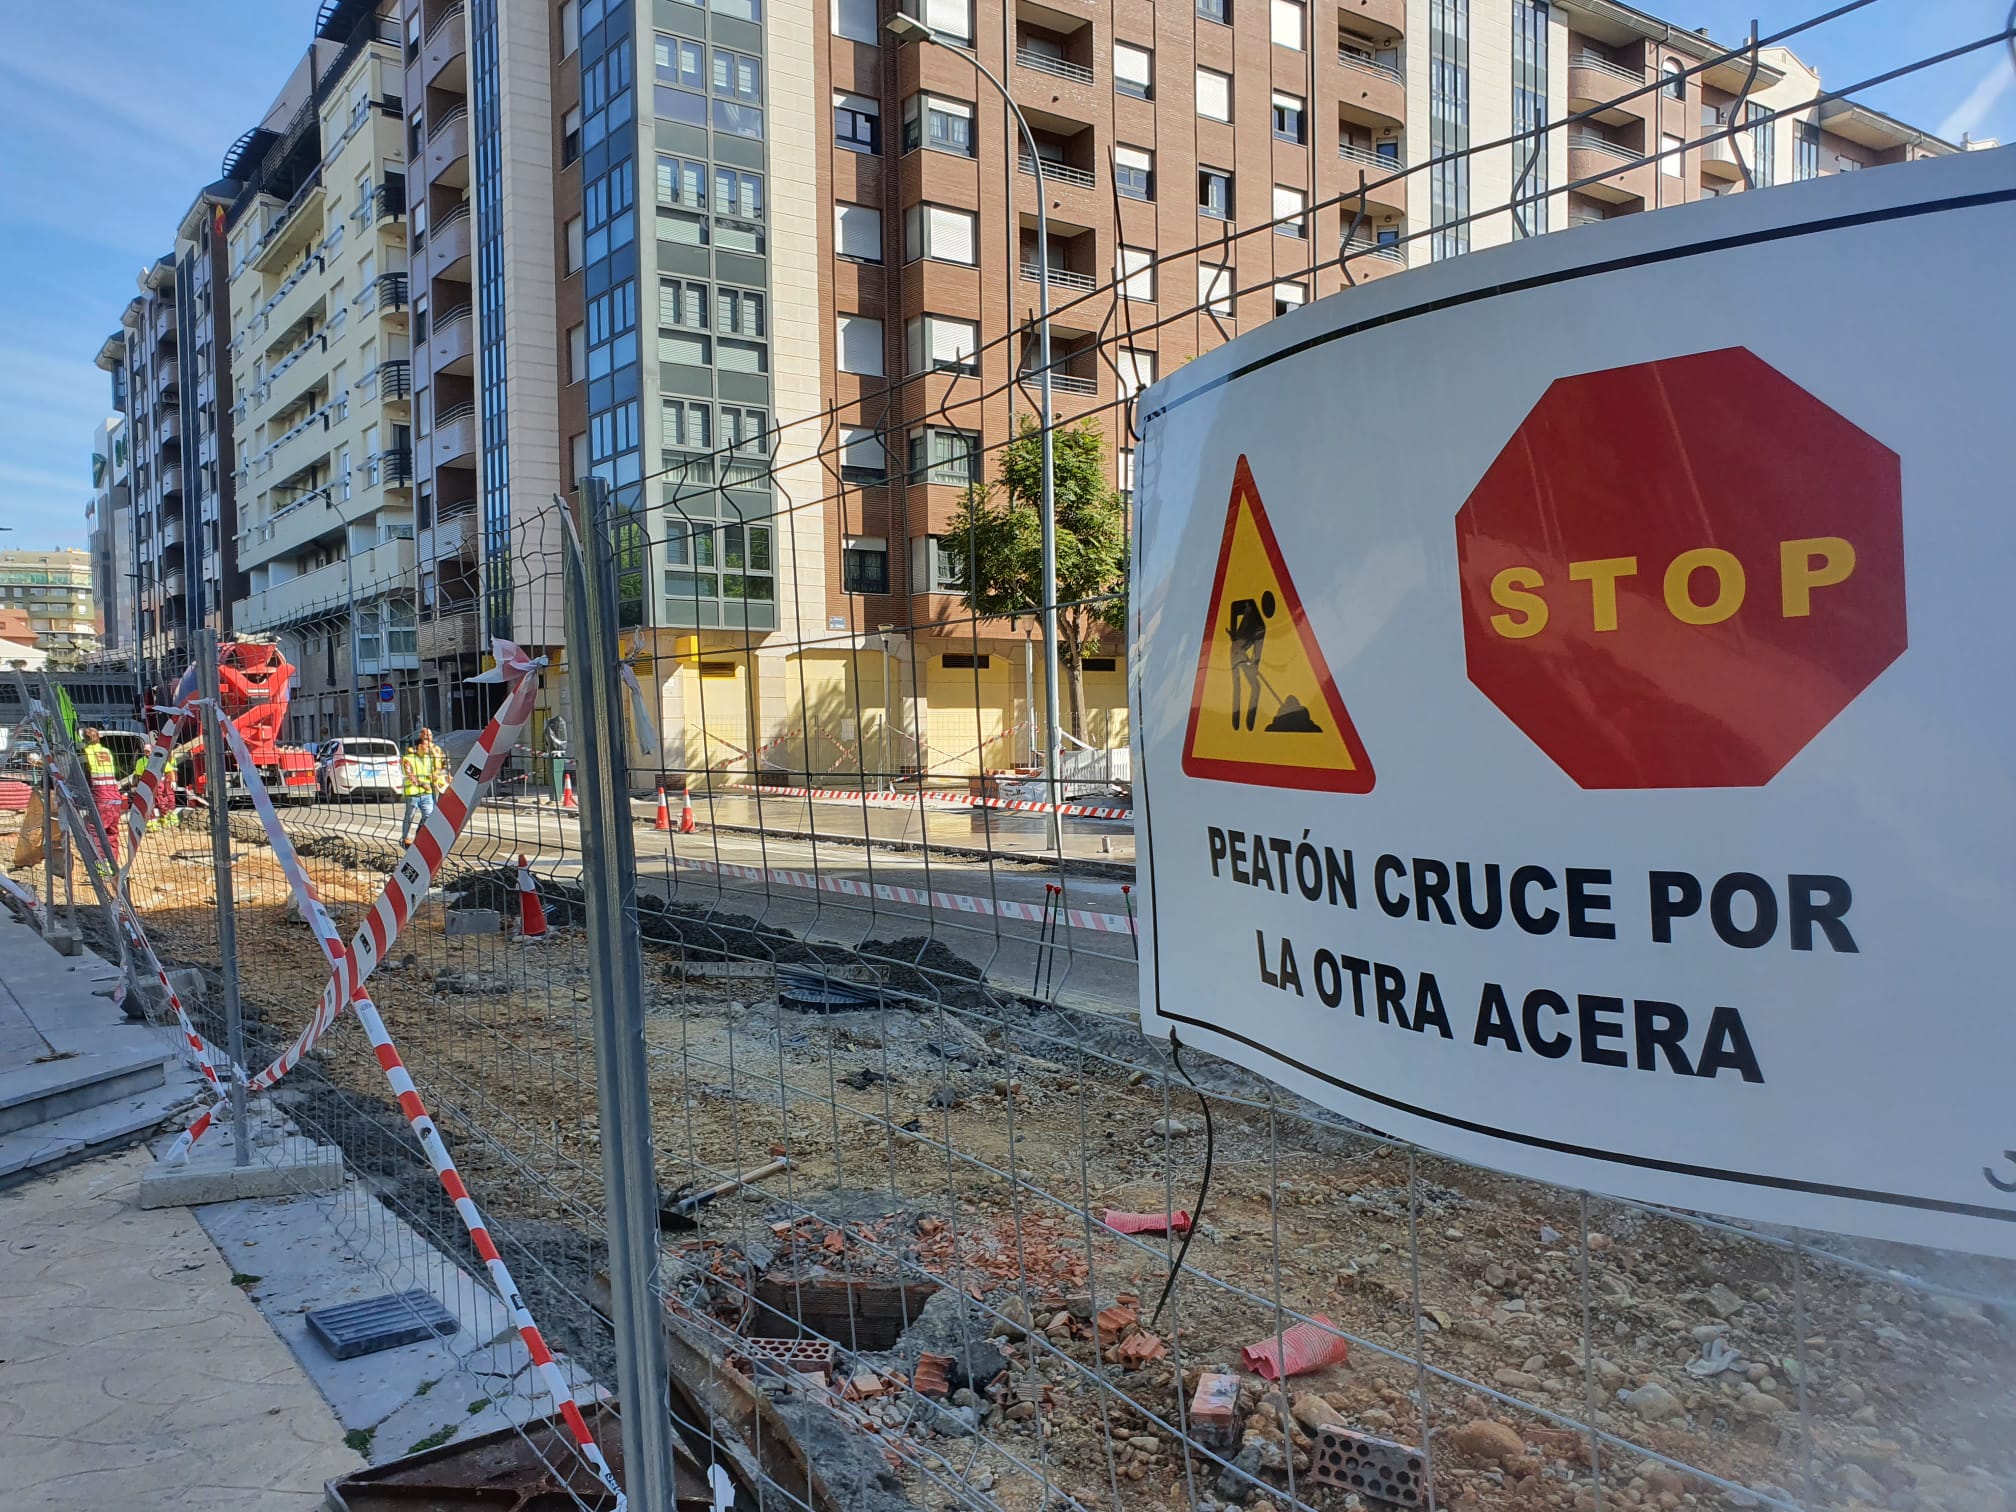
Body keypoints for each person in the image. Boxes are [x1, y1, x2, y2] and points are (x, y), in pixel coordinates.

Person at [81, 727, 122, 861]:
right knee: (112, 831)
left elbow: (82, 775)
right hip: (114, 795)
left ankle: (100, 864)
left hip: (101, 796)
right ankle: (113, 864)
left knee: (95, 829)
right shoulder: (106, 752)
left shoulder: (85, 752)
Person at [401, 728, 446, 844]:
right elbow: (409, 774)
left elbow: (439, 768)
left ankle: (421, 837)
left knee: (429, 816)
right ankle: (405, 837)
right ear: (419, 745)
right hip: (413, 792)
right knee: (409, 816)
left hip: (428, 792)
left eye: (429, 736)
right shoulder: (408, 758)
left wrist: (440, 778)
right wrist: (422, 784)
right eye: (425, 739)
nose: (428, 747)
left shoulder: (431, 756)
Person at [545, 710, 569, 807]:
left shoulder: (550, 727)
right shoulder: (562, 725)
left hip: (553, 753)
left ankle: (555, 797)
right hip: (561, 753)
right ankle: (556, 796)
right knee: (557, 773)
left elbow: (546, 737)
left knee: (554, 773)